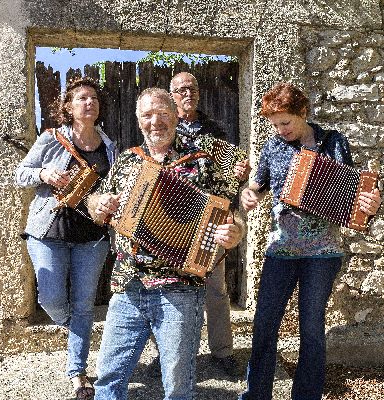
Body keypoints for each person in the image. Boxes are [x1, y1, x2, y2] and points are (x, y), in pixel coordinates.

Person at [89, 87, 243, 400]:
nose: (155, 121)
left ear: (175, 116)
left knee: (176, 385)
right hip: (128, 284)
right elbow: (95, 202)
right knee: (109, 377)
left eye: (162, 113)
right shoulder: (127, 162)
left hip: (181, 288)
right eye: (147, 115)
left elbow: (233, 216)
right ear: (138, 120)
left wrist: (234, 233)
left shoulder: (204, 163)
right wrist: (98, 203)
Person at [238, 82, 381, 400]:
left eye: (285, 122)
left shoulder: (333, 142)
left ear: (303, 112)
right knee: (264, 324)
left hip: (323, 253)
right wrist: (249, 194)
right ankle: (256, 394)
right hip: (281, 250)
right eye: (274, 124)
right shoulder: (273, 146)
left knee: (311, 330)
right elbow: (257, 186)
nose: (280, 129)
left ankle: (307, 395)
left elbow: (354, 191)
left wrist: (371, 203)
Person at [15, 77, 117, 400]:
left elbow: (114, 189)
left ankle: (77, 371)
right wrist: (44, 174)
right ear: (69, 108)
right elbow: (21, 174)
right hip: (49, 231)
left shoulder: (109, 147)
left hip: (93, 236)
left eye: (94, 99)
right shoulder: (52, 140)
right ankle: (75, 326)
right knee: (52, 299)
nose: (90, 103)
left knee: (85, 302)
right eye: (82, 98)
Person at [169, 71, 250, 374]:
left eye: (191, 89)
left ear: (199, 93)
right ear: (172, 95)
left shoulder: (217, 130)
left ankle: (223, 352)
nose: (187, 94)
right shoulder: (164, 127)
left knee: (216, 289)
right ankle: (172, 354)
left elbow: (232, 173)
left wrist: (240, 172)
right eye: (180, 90)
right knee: (172, 290)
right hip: (174, 218)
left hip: (211, 218)